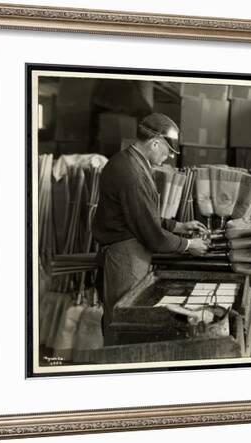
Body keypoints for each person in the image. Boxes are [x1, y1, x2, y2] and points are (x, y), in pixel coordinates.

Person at [93, 113, 209, 345]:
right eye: (168, 152)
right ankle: (120, 369)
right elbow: (153, 235)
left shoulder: (129, 161)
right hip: (126, 257)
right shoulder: (132, 174)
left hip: (129, 251)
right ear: (155, 142)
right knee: (125, 321)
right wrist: (189, 245)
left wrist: (178, 226)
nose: (168, 159)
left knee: (126, 318)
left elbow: (142, 215)